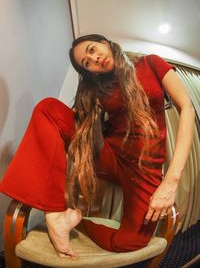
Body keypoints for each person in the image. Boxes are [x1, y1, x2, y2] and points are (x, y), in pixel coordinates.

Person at [0, 34, 195, 258]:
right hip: (110, 156)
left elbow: (187, 108)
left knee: (130, 242)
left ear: (105, 42)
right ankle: (56, 214)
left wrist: (171, 182)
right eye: (87, 63)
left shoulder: (151, 62)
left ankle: (76, 223)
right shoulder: (98, 88)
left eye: (92, 49)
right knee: (48, 110)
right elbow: (76, 123)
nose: (94, 59)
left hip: (144, 171)